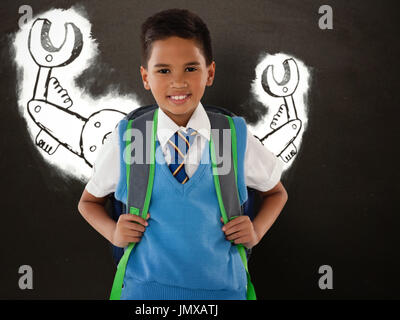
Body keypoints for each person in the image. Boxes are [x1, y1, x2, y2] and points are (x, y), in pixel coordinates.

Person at [78, 8, 288, 300]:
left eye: (191, 68)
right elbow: (88, 202)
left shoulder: (230, 137)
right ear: (145, 77)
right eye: (163, 70)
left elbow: (277, 193)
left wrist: (257, 230)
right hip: (145, 294)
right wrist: (114, 232)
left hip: (223, 291)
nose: (178, 82)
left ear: (210, 72)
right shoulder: (131, 138)